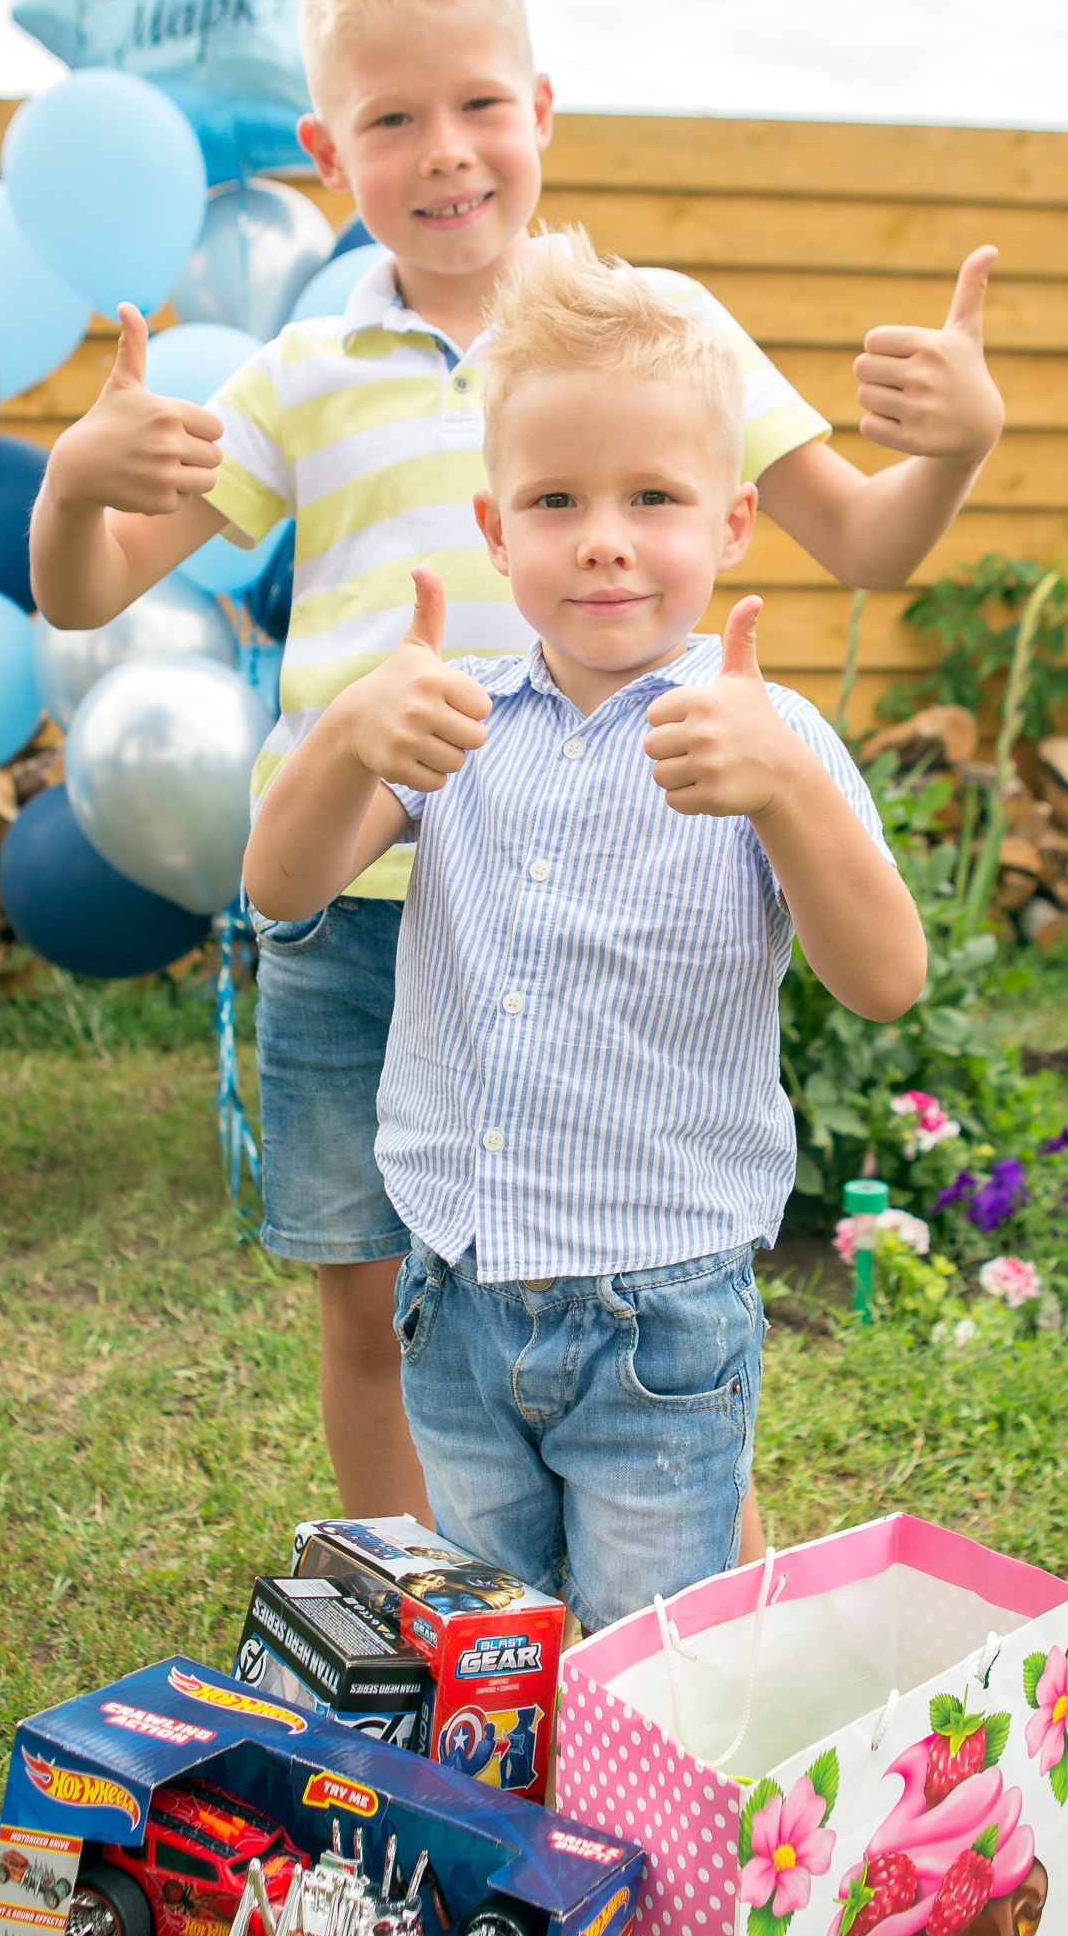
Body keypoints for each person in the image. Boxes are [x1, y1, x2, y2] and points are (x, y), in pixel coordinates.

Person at [28, 0, 1000, 1537]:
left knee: (653, 1301)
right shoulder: (300, 373)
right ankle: (426, 1633)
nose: (448, 149)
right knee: (376, 1303)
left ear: (542, 110)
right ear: (332, 160)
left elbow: (867, 537)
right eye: (391, 118)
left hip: (609, 890)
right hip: (352, 895)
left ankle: (689, 1622)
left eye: (481, 102)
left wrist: (959, 446)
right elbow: (92, 587)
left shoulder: (664, 336)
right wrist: (68, 482)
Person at [239, 230, 925, 1629]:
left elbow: (885, 980)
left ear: (733, 524)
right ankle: (517, 1848)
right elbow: (282, 885)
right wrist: (348, 736)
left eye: (652, 497)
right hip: (458, 1298)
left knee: (651, 1659)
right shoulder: (458, 721)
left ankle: (644, 1845)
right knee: (494, 1651)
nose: (603, 537)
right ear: (494, 530)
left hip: (658, 1323)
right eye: (555, 498)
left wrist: (789, 794)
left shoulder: (763, 737)